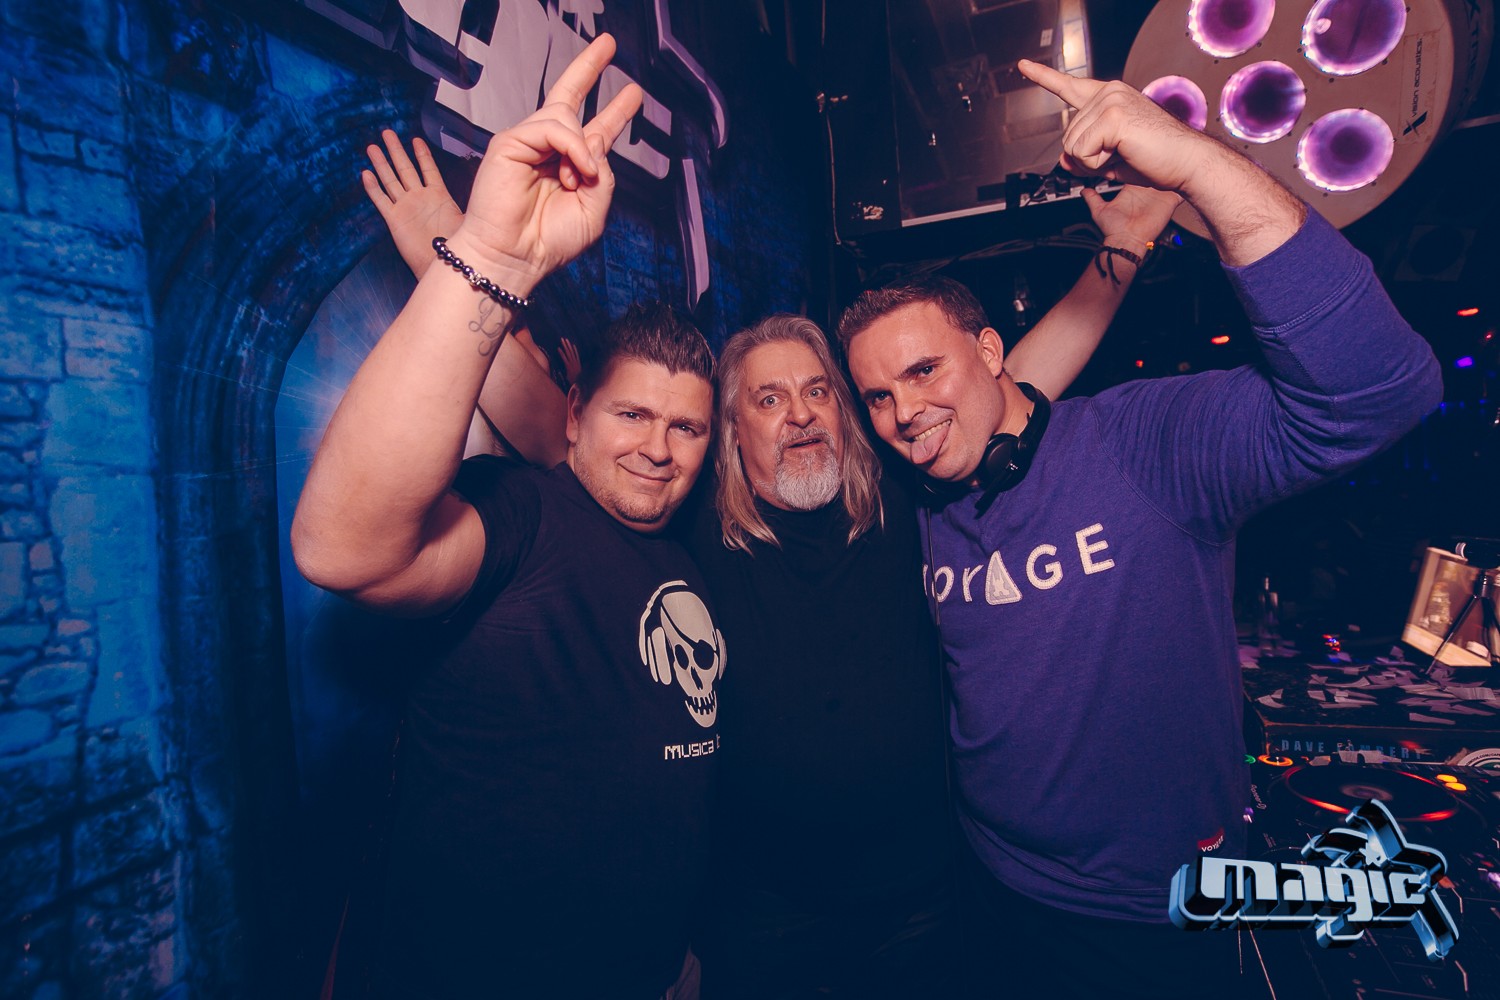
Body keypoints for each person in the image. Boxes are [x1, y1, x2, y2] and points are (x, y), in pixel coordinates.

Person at [837, 61, 1442, 999]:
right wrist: (1120, 250)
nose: (903, 412)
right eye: (877, 396)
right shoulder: (928, 490)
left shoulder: (1142, 445)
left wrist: (1195, 165)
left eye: (922, 372)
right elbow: (1010, 398)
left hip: (1147, 913)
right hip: (987, 882)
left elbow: (1377, 392)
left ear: (990, 351)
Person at [293, 36, 720, 998]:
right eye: (632, 416)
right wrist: (484, 258)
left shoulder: (695, 544)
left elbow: (544, 410)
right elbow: (342, 550)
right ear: (576, 416)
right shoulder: (525, 515)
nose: (658, 447)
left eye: (687, 428)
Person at [686, 181, 1178, 1000]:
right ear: (733, 432)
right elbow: (575, 444)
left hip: (919, 899)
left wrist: (1121, 254)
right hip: (764, 911)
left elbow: (1003, 387)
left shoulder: (900, 493)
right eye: (768, 399)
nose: (800, 414)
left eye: (818, 392)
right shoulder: (697, 531)